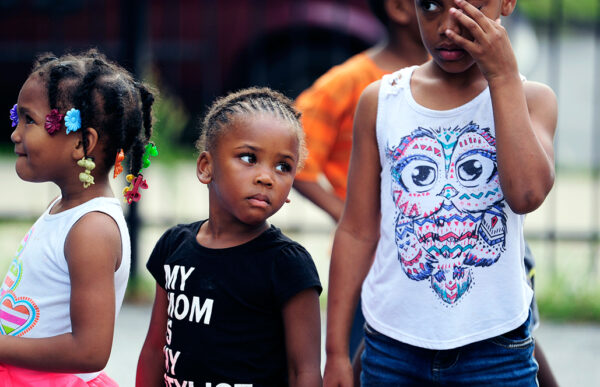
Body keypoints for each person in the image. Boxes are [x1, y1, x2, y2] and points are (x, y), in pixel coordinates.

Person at [324, 0, 557, 386]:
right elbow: (356, 231)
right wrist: (334, 353)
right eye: (431, 5)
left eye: (472, 6)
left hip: (495, 349)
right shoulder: (381, 101)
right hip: (392, 348)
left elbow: (527, 194)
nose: (449, 26)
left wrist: (502, 78)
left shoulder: (532, 100)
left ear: (507, 3)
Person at [0, 49, 156, 386]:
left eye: (29, 120)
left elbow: (90, 350)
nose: (15, 134)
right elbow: (48, 306)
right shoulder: (63, 209)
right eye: (16, 118)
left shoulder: (92, 229)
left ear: (82, 143)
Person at [137, 87, 323, 387]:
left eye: (283, 166)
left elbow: (305, 371)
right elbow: (154, 351)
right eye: (249, 157)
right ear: (206, 166)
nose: (266, 177)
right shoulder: (174, 246)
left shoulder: (287, 264)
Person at [292, 0, 428, 373]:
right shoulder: (351, 81)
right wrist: (350, 214)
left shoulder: (461, 80)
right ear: (400, 8)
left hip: (437, 261)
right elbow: (294, 156)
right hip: (371, 262)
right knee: (363, 355)